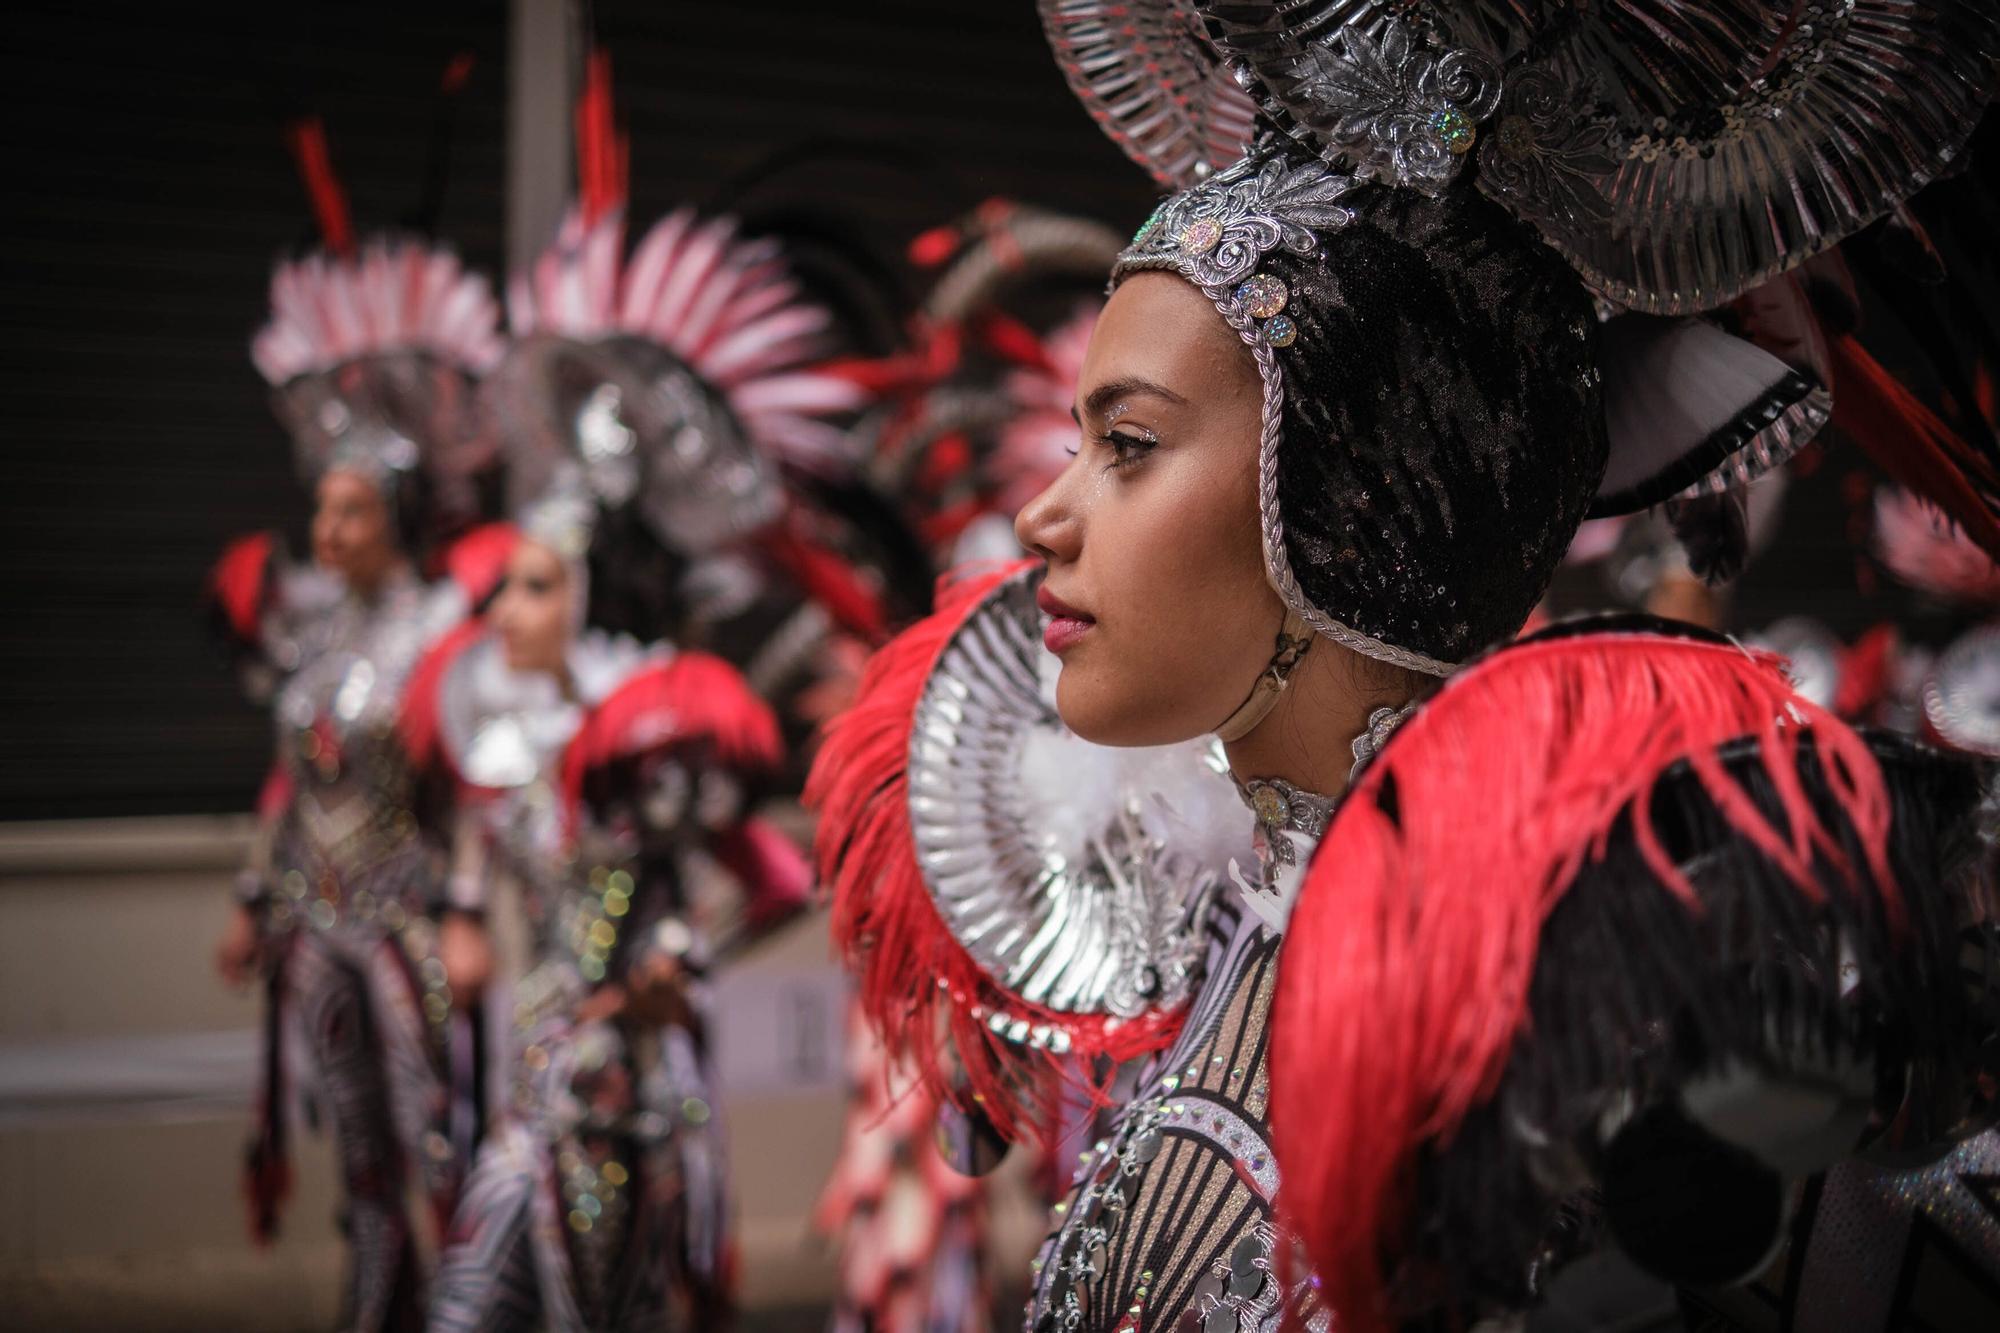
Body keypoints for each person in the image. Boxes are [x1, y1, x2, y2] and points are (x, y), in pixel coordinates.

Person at [813, 5, 2000, 1330]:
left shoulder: (1579, 1012)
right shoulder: (1210, 928)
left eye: (1130, 445)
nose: (1044, 518)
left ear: (1340, 503)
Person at [418, 153, 847, 1330]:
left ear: (583, 598)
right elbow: (470, 842)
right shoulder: (496, 726)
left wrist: (676, 961)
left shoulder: (645, 731)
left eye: (532, 587)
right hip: (528, 1082)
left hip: (620, 1092)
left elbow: (772, 878)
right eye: (500, 584)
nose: (503, 609)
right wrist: (458, 917)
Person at [207, 213, 503, 1332]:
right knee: (358, 1155)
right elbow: (287, 782)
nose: (323, 530)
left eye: (348, 511)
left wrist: (468, 914)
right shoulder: (314, 637)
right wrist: (251, 898)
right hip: (312, 924)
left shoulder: (441, 631)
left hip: (405, 925)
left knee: (435, 1135)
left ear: (393, 519)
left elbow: (478, 781)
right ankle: (374, 1310)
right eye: (320, 509)